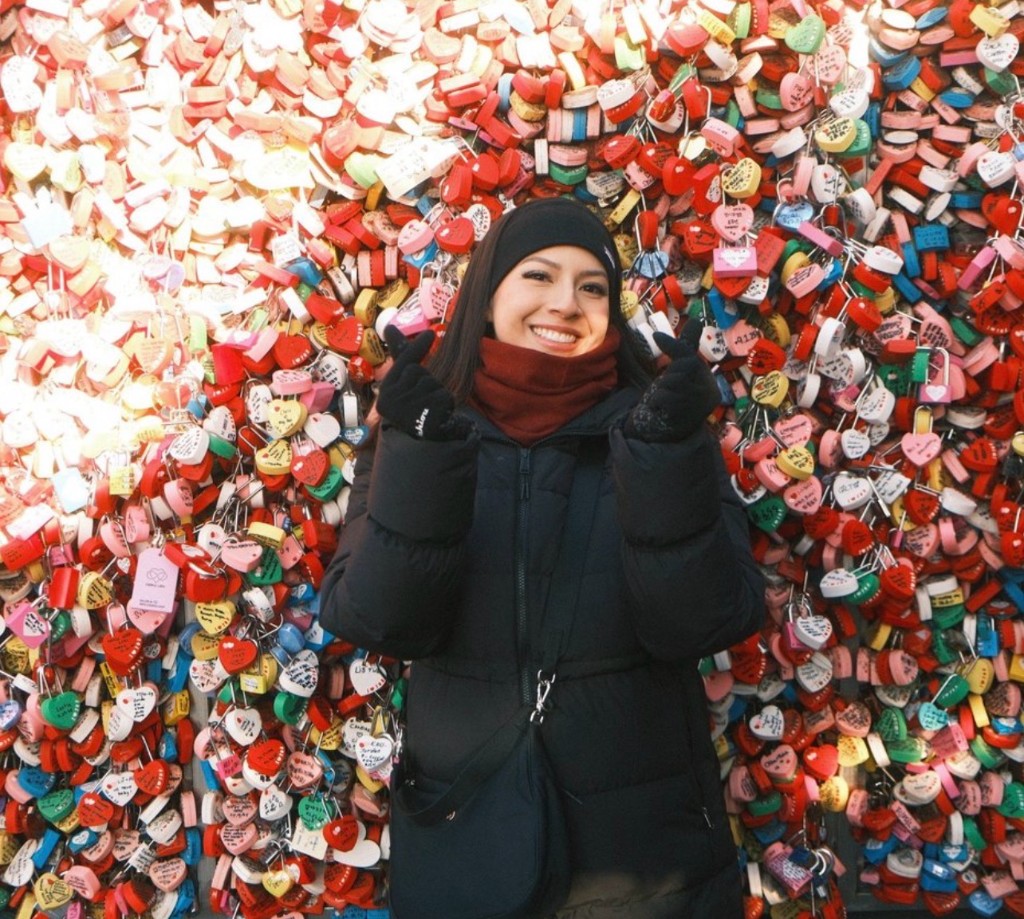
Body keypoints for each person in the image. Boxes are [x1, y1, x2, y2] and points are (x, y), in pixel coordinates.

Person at [320, 197, 765, 918]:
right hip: (469, 835)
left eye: (593, 287)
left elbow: (707, 621)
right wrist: (424, 456)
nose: (566, 302)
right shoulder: (422, 428)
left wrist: (664, 456)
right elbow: (378, 619)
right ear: (488, 292)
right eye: (539, 275)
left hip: (644, 857)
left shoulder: (657, 425)